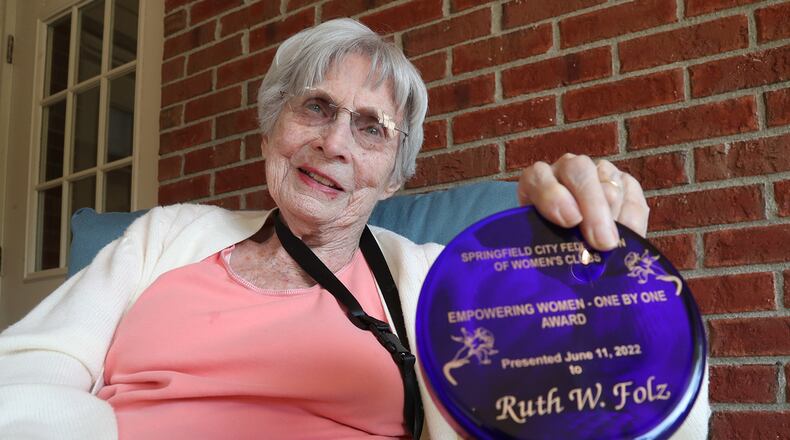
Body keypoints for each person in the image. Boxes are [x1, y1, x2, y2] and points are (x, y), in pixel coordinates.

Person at [0, 19, 708, 439]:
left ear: (394, 175)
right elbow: (27, 373)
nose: (334, 142)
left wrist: (610, 287)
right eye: (315, 107)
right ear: (271, 129)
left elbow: (585, 410)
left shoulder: (438, 283)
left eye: (371, 128)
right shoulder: (165, 239)